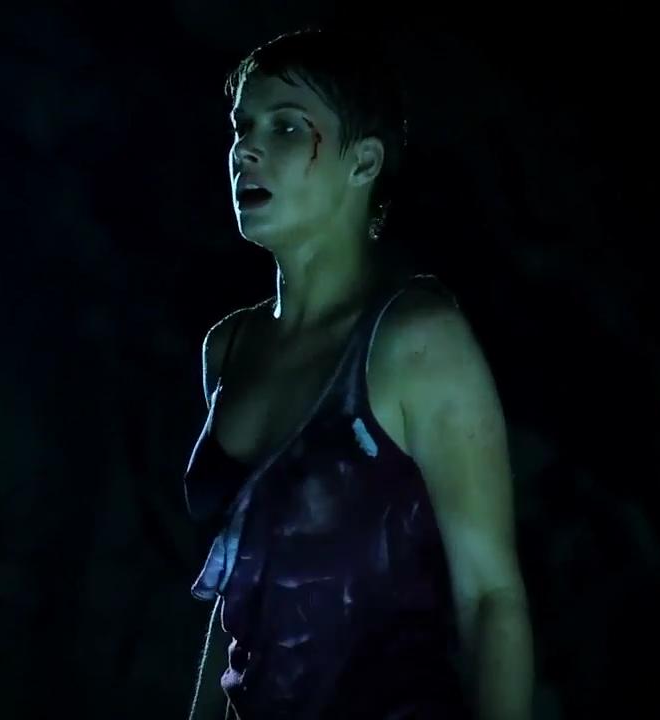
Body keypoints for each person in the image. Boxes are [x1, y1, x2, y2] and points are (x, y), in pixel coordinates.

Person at [183, 27, 533, 720]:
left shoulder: (415, 340)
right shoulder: (229, 348)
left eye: (286, 127)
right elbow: (238, 600)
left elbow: (491, 598)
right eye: (242, 127)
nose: (245, 150)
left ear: (363, 161)